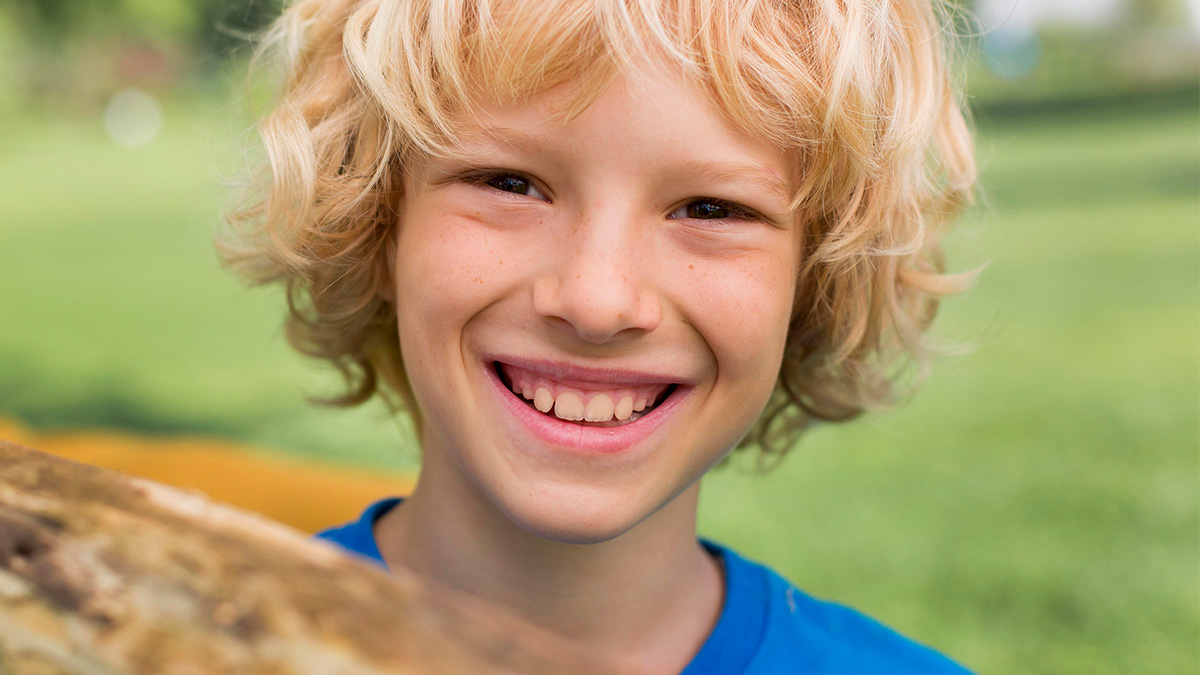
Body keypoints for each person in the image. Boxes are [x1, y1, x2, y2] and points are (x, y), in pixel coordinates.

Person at [220, 0, 978, 672]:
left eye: (711, 209)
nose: (597, 300)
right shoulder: (185, 646)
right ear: (379, 225)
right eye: (509, 183)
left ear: (809, 283)